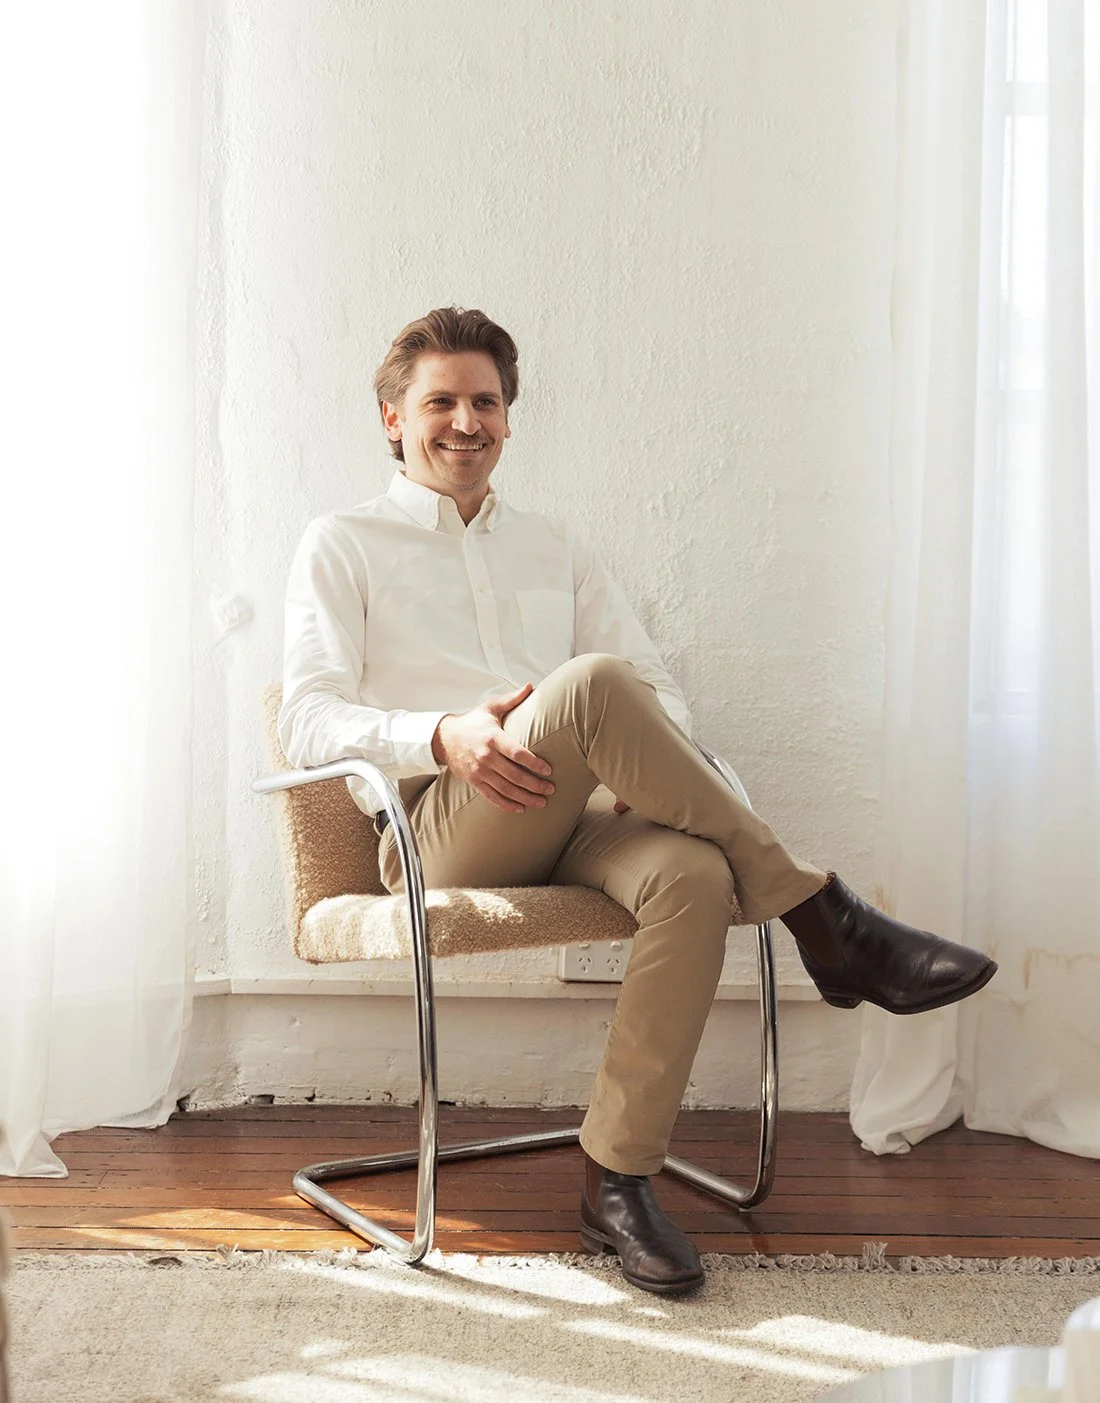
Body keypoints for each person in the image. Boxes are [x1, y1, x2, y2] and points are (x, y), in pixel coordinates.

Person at [279, 306, 997, 1296]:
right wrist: (442, 733)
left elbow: (653, 690)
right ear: (392, 417)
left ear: (508, 419)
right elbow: (305, 719)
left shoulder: (553, 545)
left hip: (572, 818)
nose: (464, 420)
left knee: (693, 871)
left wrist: (623, 767)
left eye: (484, 401)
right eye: (438, 400)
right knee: (591, 681)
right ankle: (821, 914)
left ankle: (615, 1178)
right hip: (439, 826)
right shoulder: (341, 542)